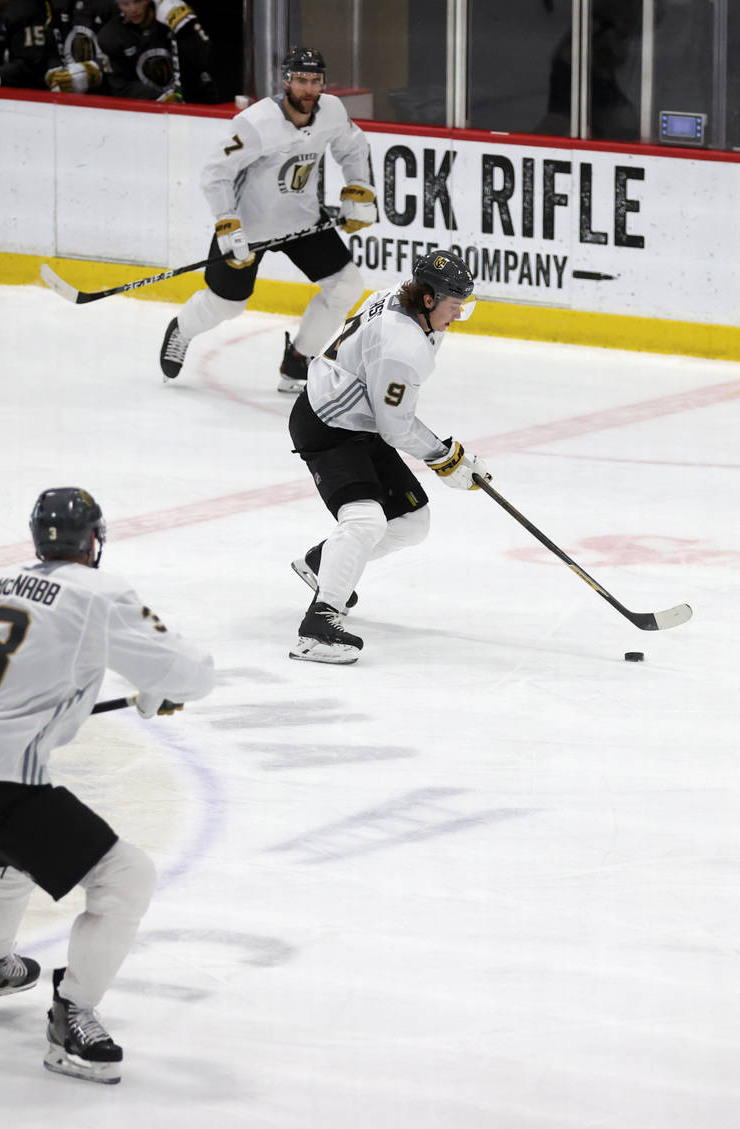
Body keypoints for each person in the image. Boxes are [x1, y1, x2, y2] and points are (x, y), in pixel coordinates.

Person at [0, 486, 215, 1085]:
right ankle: (72, 1015)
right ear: (94, 541)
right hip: (0, 783)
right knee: (126, 876)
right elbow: (191, 671)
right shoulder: (99, 594)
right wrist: (162, 689)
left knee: (10, 858)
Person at [287, 249, 492, 665]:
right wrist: (445, 458)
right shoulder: (402, 344)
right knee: (365, 520)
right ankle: (317, 629)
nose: (457, 316)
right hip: (329, 426)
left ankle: (323, 562)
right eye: (455, 306)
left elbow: (388, 413)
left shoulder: (405, 298)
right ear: (430, 299)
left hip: (359, 420)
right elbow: (395, 428)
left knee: (412, 522)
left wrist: (449, 454)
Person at [159, 45, 376, 394]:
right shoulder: (256, 123)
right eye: (301, 80)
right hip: (249, 228)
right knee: (226, 305)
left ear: (323, 84)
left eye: (315, 80)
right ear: (286, 81)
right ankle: (181, 330)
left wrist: (359, 188)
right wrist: (227, 223)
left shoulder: (332, 111)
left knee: (346, 285)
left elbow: (353, 146)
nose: (308, 88)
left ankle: (298, 360)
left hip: (303, 222)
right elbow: (216, 174)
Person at [98, 0, 216, 104]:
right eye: (125, 4)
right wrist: (159, 98)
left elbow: (206, 61)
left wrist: (186, 29)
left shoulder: (171, 15)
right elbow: (121, 86)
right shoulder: (111, 35)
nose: (133, 9)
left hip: (196, 102)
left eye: (138, 1)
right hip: (149, 110)